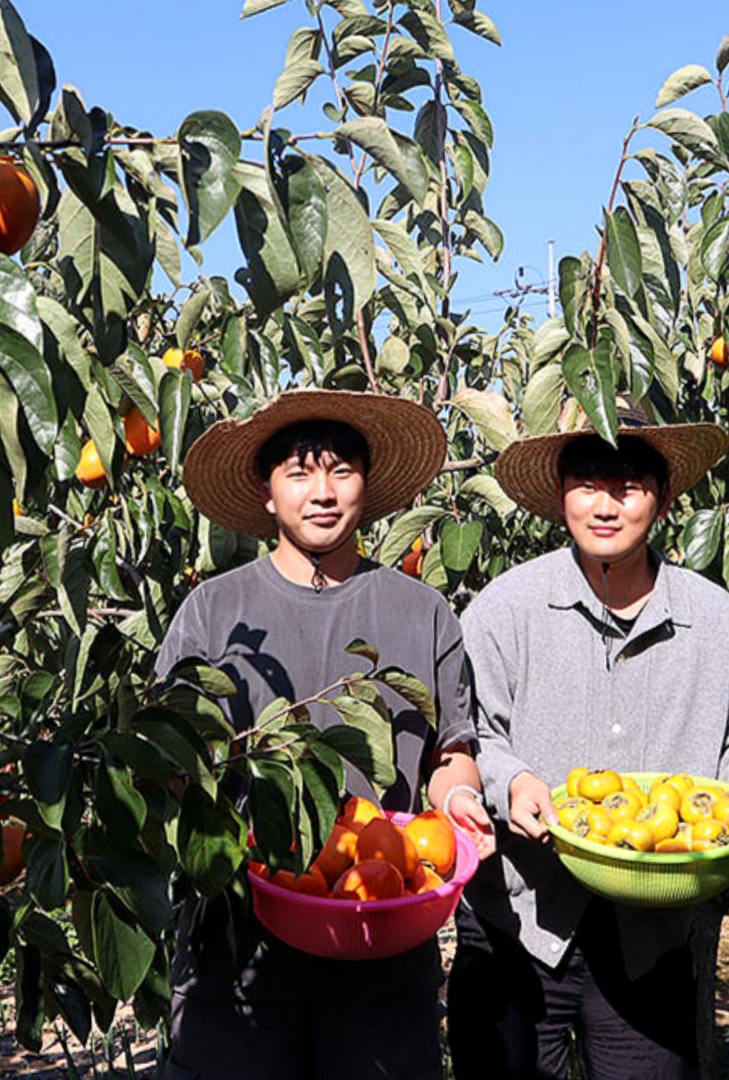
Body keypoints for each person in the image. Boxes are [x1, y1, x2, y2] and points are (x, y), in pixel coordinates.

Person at [446, 396, 729, 1080]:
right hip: (517, 923)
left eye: (628, 486)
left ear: (662, 501)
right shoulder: (505, 609)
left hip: (651, 938)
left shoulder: (716, 622)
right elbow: (467, 735)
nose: (605, 505)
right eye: (586, 485)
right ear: (560, 496)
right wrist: (510, 781)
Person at [154, 390, 495, 1080]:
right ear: (267, 492)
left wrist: (459, 801)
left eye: (341, 471)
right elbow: (168, 759)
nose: (322, 493)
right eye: (300, 474)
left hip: (383, 937)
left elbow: (450, 751)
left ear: (367, 486)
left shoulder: (422, 612)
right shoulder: (212, 612)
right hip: (237, 950)